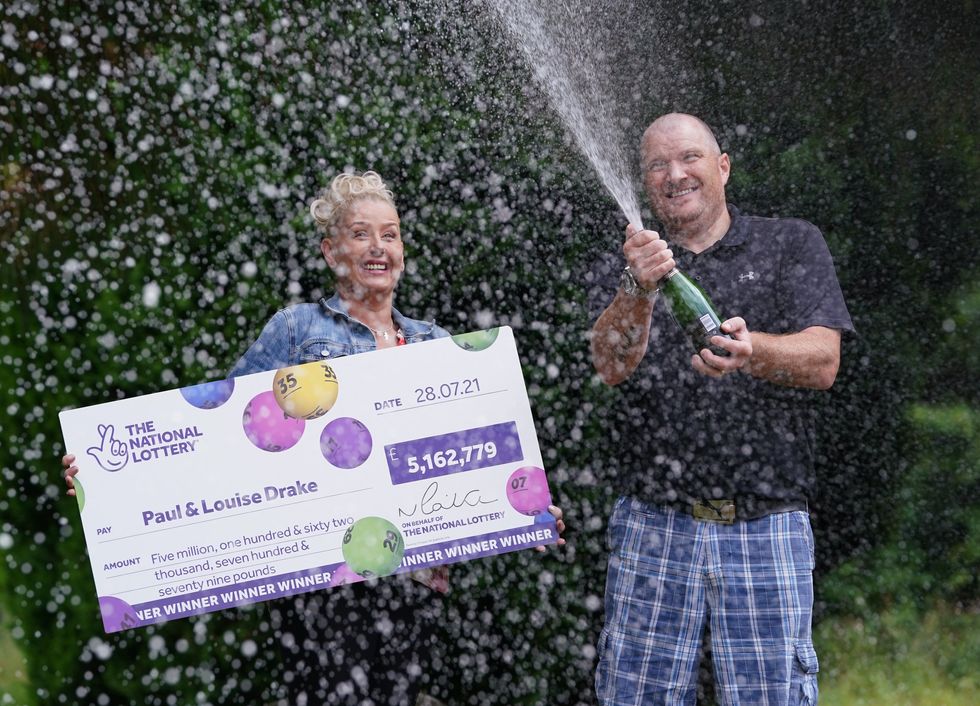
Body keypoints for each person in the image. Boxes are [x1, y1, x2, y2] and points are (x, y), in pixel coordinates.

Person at [65, 171, 565, 706]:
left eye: (390, 235)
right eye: (361, 234)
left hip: (416, 583)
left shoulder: (437, 345)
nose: (378, 247)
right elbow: (217, 438)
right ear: (331, 251)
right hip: (322, 586)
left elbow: (473, 457)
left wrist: (525, 511)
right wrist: (110, 485)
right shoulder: (296, 330)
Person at [589, 114, 853, 706]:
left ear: (724, 167)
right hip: (653, 525)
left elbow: (824, 361)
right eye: (657, 165)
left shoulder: (790, 243)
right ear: (643, 181)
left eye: (689, 158)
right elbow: (610, 365)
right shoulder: (629, 262)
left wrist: (752, 351)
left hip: (767, 523)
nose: (674, 174)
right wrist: (638, 288)